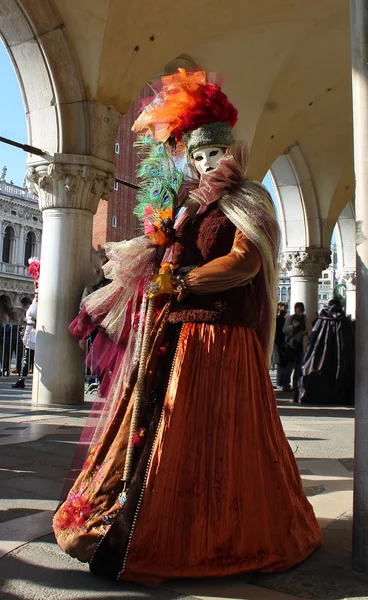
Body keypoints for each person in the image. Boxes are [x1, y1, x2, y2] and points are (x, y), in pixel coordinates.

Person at [53, 69, 322, 585]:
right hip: (171, 336)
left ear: (233, 151)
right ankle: (126, 518)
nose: (205, 165)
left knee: (206, 437)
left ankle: (200, 534)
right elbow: (164, 255)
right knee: (153, 430)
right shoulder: (189, 205)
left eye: (214, 154)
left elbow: (245, 263)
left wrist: (183, 281)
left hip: (218, 340)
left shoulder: (253, 201)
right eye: (196, 157)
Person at [299, 299, 355, 405]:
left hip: (321, 356)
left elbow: (314, 339)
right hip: (341, 357)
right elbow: (349, 342)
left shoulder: (321, 320)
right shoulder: (344, 322)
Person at [12, 258, 40, 389]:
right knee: (27, 357)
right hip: (32, 334)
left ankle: (22, 380)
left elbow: (33, 316)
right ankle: (21, 379)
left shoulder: (38, 303)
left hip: (36, 333)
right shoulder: (36, 301)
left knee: (29, 357)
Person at [282, 302, 308, 400]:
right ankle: (286, 384)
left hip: (301, 345)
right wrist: (293, 326)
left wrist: (306, 332)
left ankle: (295, 385)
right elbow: (284, 330)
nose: (300, 312)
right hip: (291, 345)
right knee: (289, 366)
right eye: (298, 309)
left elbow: (309, 329)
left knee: (298, 367)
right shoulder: (290, 318)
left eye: (301, 310)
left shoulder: (305, 319)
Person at [273, 302, 288, 387]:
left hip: (279, 342)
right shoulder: (280, 319)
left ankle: (280, 381)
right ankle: (280, 381)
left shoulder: (278, 319)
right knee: (280, 362)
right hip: (278, 342)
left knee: (280, 362)